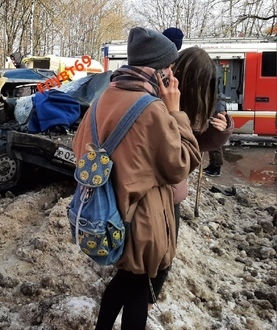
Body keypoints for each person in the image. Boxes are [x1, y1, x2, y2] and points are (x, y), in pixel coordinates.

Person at [73, 27, 201, 329]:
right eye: (169, 68)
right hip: (141, 222)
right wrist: (175, 111)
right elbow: (182, 164)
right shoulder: (153, 110)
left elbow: (82, 153)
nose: (173, 75)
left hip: (107, 216)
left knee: (125, 282)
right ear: (159, 72)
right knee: (138, 290)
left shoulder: (102, 99)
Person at [148, 46, 234, 307]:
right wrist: (173, 112)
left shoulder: (185, 100)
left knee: (164, 255)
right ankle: (140, 303)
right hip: (150, 190)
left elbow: (192, 145)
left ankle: (145, 303)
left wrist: (220, 133)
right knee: (149, 255)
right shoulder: (157, 95)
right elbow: (171, 148)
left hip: (171, 191)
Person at [204, 92, 229, 176]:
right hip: (214, 121)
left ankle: (215, 168)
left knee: (215, 146)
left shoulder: (218, 100)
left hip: (216, 122)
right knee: (213, 145)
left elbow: (219, 113)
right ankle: (213, 165)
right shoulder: (219, 98)